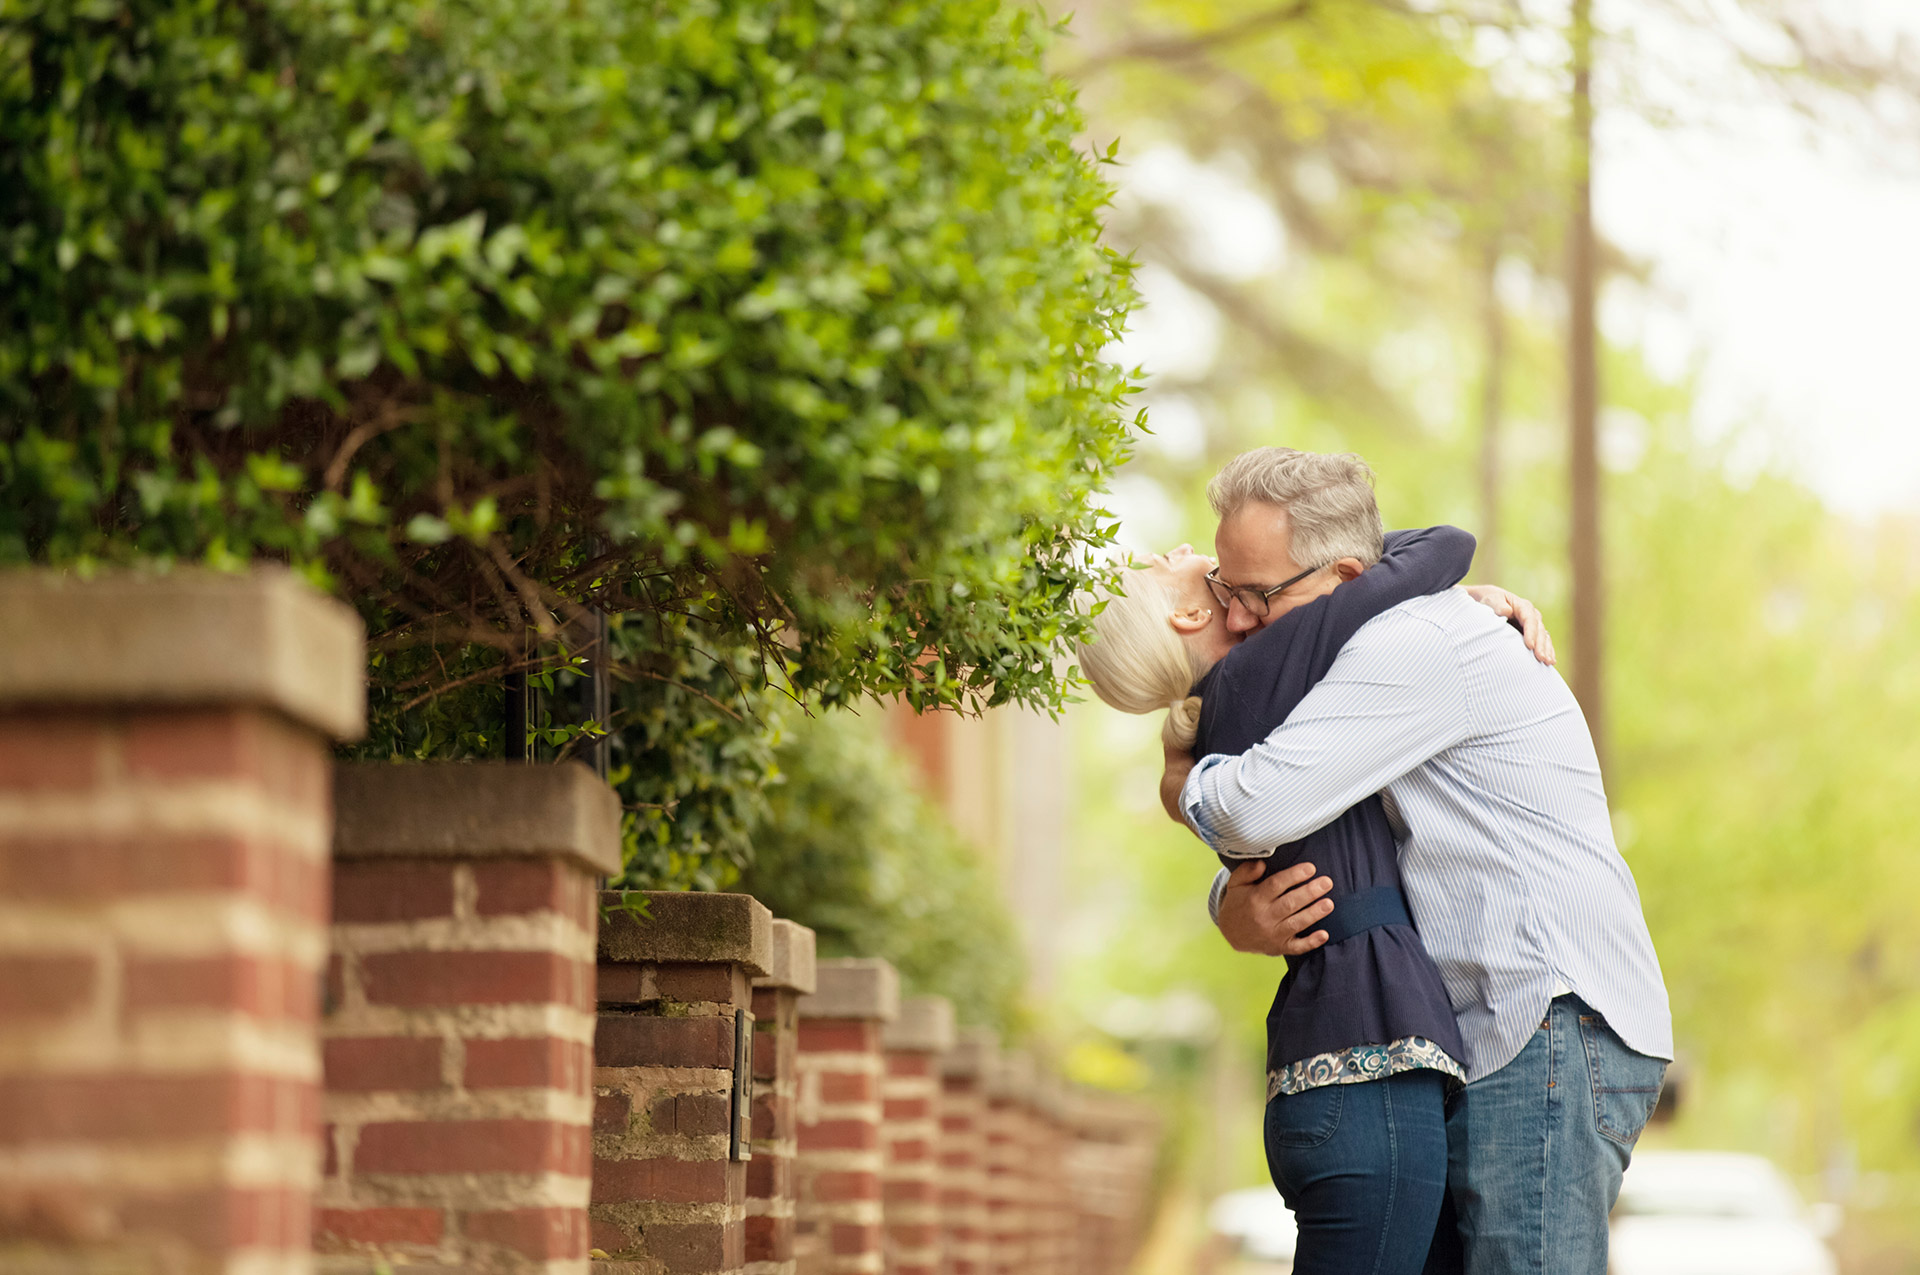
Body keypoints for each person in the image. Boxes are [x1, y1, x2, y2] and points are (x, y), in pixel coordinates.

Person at [1167, 448, 1671, 1275]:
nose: (1244, 620)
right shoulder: (1385, 638)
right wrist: (1234, 904)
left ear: (1348, 574)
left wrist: (1182, 774)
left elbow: (1256, 805)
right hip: (1515, 1024)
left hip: (1548, 1016)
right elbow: (1330, 829)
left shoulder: (1413, 646)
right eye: (1226, 592)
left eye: (1256, 595)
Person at [1081, 523, 1499, 1273]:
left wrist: (1452, 614)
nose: (1172, 551)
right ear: (1184, 617)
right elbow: (1440, 546)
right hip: (1366, 1072)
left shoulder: (1234, 715)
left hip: (1337, 1075)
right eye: (1156, 568)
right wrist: (1445, 599)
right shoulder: (1268, 671)